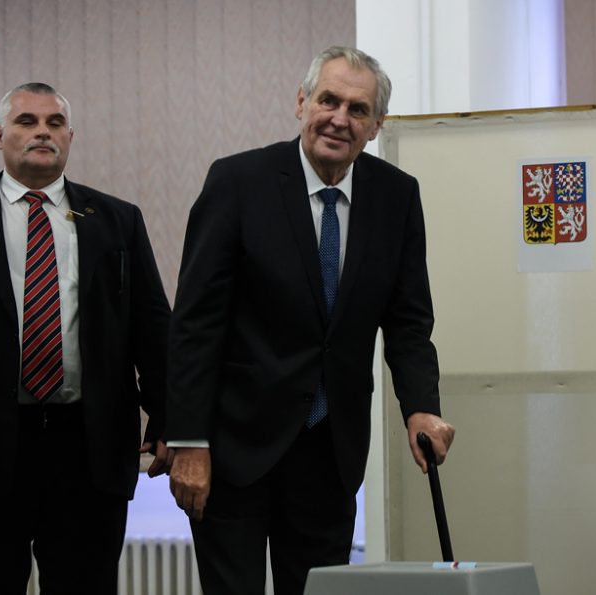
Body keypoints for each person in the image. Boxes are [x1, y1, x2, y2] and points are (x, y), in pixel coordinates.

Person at [166, 46, 456, 595]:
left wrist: (421, 408)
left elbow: (409, 323)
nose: (339, 119)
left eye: (357, 108)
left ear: (376, 125)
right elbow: (195, 323)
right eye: (328, 100)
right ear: (301, 102)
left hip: (330, 453)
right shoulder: (237, 182)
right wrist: (188, 441)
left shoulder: (397, 197)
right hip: (234, 452)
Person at [0, 82, 172, 595]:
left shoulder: (115, 218)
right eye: (26, 121)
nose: (42, 131)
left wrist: (167, 415)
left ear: (70, 136)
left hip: (87, 451)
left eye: (54, 123)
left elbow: (151, 327)